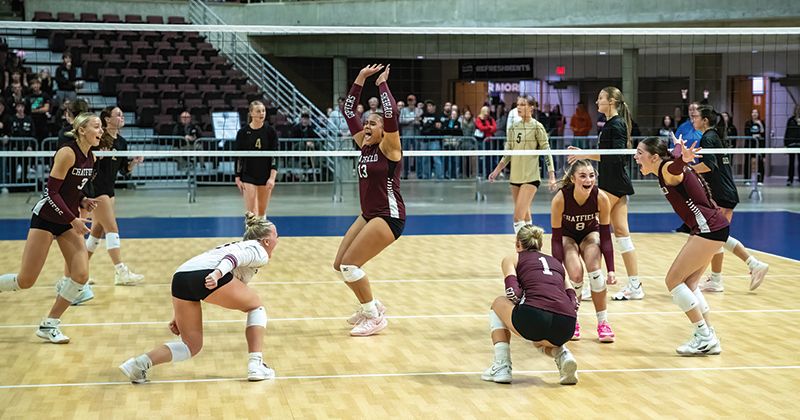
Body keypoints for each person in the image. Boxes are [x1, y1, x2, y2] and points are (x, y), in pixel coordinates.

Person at [119, 213, 278, 383]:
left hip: (181, 277)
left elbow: (202, 275)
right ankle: (256, 365)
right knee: (256, 306)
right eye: (276, 235)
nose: (278, 239)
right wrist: (217, 274)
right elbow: (232, 259)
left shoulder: (239, 246)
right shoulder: (258, 249)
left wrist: (179, 314)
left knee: (191, 346)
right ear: (266, 241)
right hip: (210, 273)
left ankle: (139, 365)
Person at [0, 113, 100, 343]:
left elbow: (73, 190)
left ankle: (49, 324)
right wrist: (73, 218)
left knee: (81, 274)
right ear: (82, 130)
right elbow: (51, 192)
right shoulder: (67, 152)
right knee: (26, 281)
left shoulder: (90, 157)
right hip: (45, 219)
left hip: (66, 222)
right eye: (97, 127)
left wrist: (83, 200)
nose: (101, 131)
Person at [634, 136, 728, 355]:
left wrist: (683, 160)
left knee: (673, 281)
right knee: (690, 283)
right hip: (710, 227)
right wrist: (678, 146)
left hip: (709, 228)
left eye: (639, 152)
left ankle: (704, 336)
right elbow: (675, 159)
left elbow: (675, 167)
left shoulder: (667, 168)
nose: (636, 157)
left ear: (654, 157)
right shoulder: (666, 165)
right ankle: (708, 335)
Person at [333, 63, 405, 337]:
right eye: (366, 124)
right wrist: (360, 79)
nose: (366, 126)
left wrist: (382, 85)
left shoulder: (390, 147)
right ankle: (371, 305)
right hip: (369, 213)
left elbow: (392, 114)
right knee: (340, 265)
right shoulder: (365, 144)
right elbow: (348, 111)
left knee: (352, 266)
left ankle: (373, 316)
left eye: (372, 123)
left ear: (384, 129)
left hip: (389, 216)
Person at [57, 106, 144, 298]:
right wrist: (96, 157)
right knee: (111, 227)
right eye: (117, 115)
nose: (121, 117)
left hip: (110, 190)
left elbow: (124, 170)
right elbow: (84, 160)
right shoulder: (97, 139)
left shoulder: (121, 142)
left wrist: (133, 163)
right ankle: (120, 271)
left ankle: (79, 271)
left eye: (122, 114)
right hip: (96, 190)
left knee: (96, 232)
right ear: (107, 119)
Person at [568, 87, 641, 302]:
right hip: (616, 184)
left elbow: (617, 157)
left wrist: (584, 154)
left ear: (611, 102)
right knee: (622, 233)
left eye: (600, 98)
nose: (597, 101)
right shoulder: (611, 124)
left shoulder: (616, 125)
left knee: (593, 230)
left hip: (613, 186)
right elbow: (611, 157)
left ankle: (595, 283)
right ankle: (635, 285)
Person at [481, 225, 579, 386]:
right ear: (539, 244)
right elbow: (573, 299)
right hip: (566, 324)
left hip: (534, 315)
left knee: (498, 303)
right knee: (538, 341)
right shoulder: (557, 263)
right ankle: (563, 355)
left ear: (518, 243)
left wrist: (527, 307)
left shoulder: (512, 258)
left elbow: (513, 292)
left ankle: (502, 366)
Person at [686, 106, 769, 293]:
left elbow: (709, 165)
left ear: (705, 120)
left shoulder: (709, 137)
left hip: (722, 195)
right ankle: (716, 280)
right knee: (716, 239)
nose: (693, 119)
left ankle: (754, 263)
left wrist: (686, 170)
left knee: (715, 237)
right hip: (723, 193)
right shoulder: (712, 136)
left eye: (696, 116)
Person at [550, 160, 617, 342]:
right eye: (583, 176)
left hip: (590, 234)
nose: (588, 179)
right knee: (576, 275)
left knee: (595, 272)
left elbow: (605, 235)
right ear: (573, 179)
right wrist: (558, 270)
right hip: (567, 237)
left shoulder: (601, 198)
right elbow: (556, 238)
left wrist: (611, 269)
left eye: (591, 175)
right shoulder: (561, 198)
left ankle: (603, 323)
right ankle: (573, 320)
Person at [488, 97, 556, 233]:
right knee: (525, 215)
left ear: (532, 107)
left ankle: (521, 247)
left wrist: (552, 175)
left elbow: (547, 151)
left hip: (531, 177)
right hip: (515, 178)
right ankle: (532, 245)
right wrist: (496, 171)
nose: (519, 107)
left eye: (523, 104)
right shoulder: (513, 128)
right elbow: (508, 154)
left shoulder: (537, 126)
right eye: (518, 104)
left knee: (517, 217)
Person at [234, 100, 279, 219]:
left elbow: (275, 156)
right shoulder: (243, 132)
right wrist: (237, 177)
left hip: (265, 174)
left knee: (262, 211)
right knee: (251, 211)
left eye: (263, 111)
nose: (262, 113)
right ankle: (250, 236)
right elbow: (239, 156)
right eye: (258, 111)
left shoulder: (270, 132)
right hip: (248, 174)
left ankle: (261, 236)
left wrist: (272, 178)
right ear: (251, 113)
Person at [744, 109, 766, 184]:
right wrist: (753, 135)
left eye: (756, 112)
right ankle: (747, 179)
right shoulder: (748, 123)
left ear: (758, 114)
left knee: (760, 162)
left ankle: (760, 180)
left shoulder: (761, 122)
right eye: (753, 112)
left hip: (759, 145)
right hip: (749, 145)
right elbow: (746, 133)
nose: (754, 114)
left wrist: (760, 124)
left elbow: (763, 133)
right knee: (747, 162)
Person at [784, 104, 800, 186]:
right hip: (792, 144)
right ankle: (790, 179)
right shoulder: (790, 120)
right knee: (791, 163)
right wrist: (785, 144)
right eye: (796, 109)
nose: (798, 110)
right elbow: (787, 132)